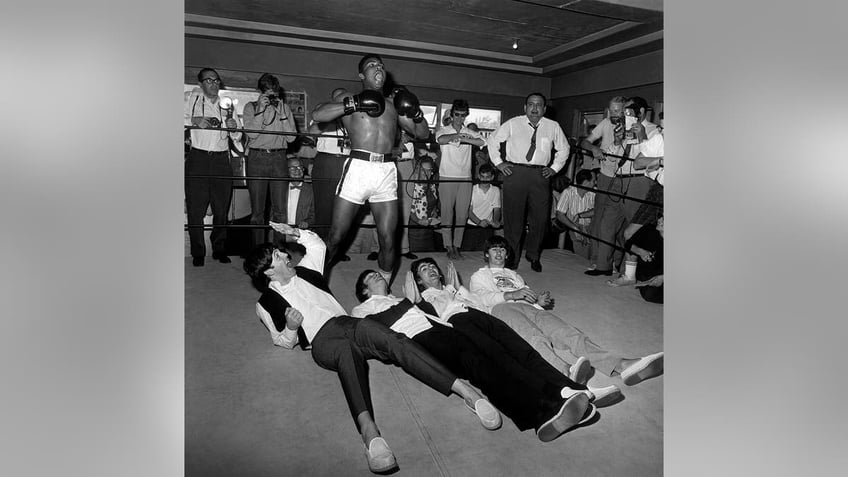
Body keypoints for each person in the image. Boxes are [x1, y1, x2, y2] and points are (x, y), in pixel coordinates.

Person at [243, 223, 501, 474]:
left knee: (394, 339)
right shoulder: (265, 303)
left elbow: (316, 244)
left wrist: (295, 232)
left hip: (348, 323)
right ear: (268, 272)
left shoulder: (307, 271)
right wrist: (290, 327)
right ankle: (371, 436)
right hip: (322, 342)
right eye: (278, 256)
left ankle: (467, 393)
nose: (285, 254)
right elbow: (282, 341)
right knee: (347, 356)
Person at [353, 269, 595, 442]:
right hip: (420, 339)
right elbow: (373, 331)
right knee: (483, 370)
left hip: (443, 330)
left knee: (493, 365)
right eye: (370, 277)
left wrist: (417, 300)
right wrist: (408, 302)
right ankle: (540, 412)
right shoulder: (363, 308)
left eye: (377, 273)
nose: (376, 275)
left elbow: (433, 311)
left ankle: (555, 399)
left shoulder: (397, 299)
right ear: (364, 290)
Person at [404, 257, 621, 405]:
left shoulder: (457, 290)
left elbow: (480, 304)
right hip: (473, 323)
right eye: (424, 270)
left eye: (433, 266)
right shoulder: (423, 299)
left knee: (541, 345)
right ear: (419, 282)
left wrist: (457, 288)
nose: (432, 269)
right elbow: (418, 309)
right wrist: (415, 292)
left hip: (487, 319)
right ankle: (569, 385)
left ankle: (587, 384)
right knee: (523, 354)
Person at [469, 235, 664, 386]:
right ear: (486, 254)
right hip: (502, 310)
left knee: (570, 333)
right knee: (535, 338)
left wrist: (538, 301)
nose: (499, 252)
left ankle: (621, 365)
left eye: (502, 249)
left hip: (530, 308)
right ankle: (564, 371)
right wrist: (512, 295)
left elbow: (525, 295)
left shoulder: (515, 276)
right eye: (494, 249)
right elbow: (481, 299)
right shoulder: (479, 276)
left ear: (507, 254)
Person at [311, 54, 430, 281]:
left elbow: (423, 133)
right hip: (358, 168)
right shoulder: (348, 97)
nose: (379, 68)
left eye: (382, 66)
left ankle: (382, 288)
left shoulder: (393, 105)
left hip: (385, 172)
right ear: (361, 75)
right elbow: (318, 114)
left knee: (388, 238)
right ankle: (313, 279)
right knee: (336, 236)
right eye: (372, 65)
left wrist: (416, 113)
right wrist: (354, 103)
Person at [487, 93, 570, 272]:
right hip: (515, 172)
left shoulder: (553, 126)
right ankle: (512, 259)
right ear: (525, 107)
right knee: (513, 220)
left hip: (540, 175)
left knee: (540, 220)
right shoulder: (513, 123)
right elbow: (492, 140)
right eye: (530, 104)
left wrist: (554, 168)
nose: (534, 108)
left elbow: (564, 148)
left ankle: (533, 255)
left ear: (544, 109)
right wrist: (499, 163)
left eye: (538, 105)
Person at [185, 68, 242, 266]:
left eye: (216, 80)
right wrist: (193, 120)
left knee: (221, 208)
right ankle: (198, 253)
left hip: (220, 160)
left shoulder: (227, 105)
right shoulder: (191, 100)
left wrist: (234, 128)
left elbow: (238, 136)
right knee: (195, 209)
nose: (213, 83)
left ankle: (219, 249)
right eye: (208, 80)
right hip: (198, 157)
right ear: (200, 84)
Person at [242, 73, 298, 248]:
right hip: (257, 158)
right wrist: (260, 109)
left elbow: (291, 139)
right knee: (258, 211)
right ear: (260, 92)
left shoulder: (285, 109)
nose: (272, 97)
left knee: (280, 211)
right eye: (268, 93)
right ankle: (258, 250)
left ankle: (279, 249)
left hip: (279, 158)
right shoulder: (250, 107)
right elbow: (251, 133)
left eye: (274, 93)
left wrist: (282, 115)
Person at [436, 99, 486, 260]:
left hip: (465, 178)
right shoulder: (443, 129)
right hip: (447, 176)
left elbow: (483, 141)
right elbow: (441, 140)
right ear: (452, 114)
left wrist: (464, 138)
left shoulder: (468, 131)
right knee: (446, 213)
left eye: (463, 115)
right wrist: (457, 135)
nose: (459, 118)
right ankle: (448, 246)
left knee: (462, 214)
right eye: (457, 115)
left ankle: (457, 246)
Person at [308, 88, 352, 261]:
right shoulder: (324, 112)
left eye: (345, 97)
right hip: (326, 162)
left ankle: (337, 250)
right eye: (339, 98)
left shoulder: (352, 116)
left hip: (348, 163)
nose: (342, 99)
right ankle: (320, 250)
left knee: (344, 208)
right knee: (324, 209)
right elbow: (311, 132)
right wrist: (331, 118)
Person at [554, 169, 596, 261]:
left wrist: (581, 215)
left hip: (591, 226)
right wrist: (575, 228)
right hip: (572, 225)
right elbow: (559, 214)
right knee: (581, 247)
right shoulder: (569, 192)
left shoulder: (594, 193)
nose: (595, 183)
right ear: (585, 182)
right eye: (593, 181)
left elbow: (598, 210)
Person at [463, 163, 501, 251]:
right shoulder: (472, 189)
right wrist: (479, 222)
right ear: (479, 176)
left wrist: (495, 221)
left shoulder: (495, 190)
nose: (485, 180)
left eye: (487, 177)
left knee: (485, 253)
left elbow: (497, 209)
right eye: (482, 177)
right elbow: (469, 211)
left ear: (492, 177)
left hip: (488, 228)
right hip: (471, 226)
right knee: (468, 254)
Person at [629, 214, 664, 304]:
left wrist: (663, 278)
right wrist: (640, 251)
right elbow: (628, 244)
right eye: (660, 216)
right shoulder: (649, 230)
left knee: (650, 294)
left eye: (664, 218)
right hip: (649, 274)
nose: (660, 219)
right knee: (648, 293)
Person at [284, 157, 315, 232]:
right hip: (282, 232)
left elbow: (315, 213)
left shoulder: (311, 190)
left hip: (303, 233)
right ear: (286, 171)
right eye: (292, 168)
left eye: (299, 167)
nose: (297, 170)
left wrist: (308, 222)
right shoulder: (280, 190)